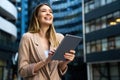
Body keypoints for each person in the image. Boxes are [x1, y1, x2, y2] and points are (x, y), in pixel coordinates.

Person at [18, 3, 75, 80]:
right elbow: (22, 71)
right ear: (37, 17)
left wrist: (66, 61)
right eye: (44, 11)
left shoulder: (59, 38)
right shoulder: (27, 38)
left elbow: (59, 69)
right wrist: (46, 61)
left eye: (51, 12)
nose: (48, 13)